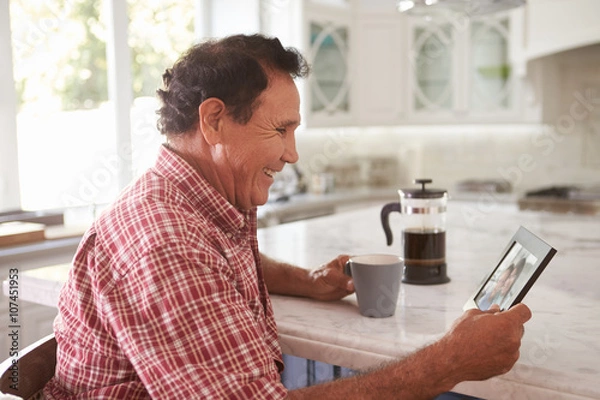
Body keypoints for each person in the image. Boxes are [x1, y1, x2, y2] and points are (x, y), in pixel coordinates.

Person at [44, 34, 531, 399]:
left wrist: (307, 280)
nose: (292, 153)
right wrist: (447, 362)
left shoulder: (191, 203)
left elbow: (220, 261)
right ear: (214, 120)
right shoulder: (166, 242)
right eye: (280, 129)